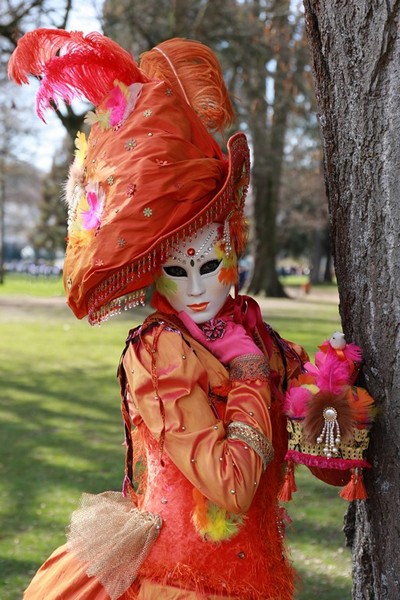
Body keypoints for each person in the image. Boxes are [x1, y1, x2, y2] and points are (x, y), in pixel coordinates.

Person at [8, 30, 323, 600]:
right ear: (154, 272)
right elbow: (229, 484)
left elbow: (324, 454)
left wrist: (337, 399)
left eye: (211, 263)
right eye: (176, 271)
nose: (198, 288)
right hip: (175, 583)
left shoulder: (259, 333)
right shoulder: (159, 353)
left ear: (233, 246)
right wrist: (251, 375)